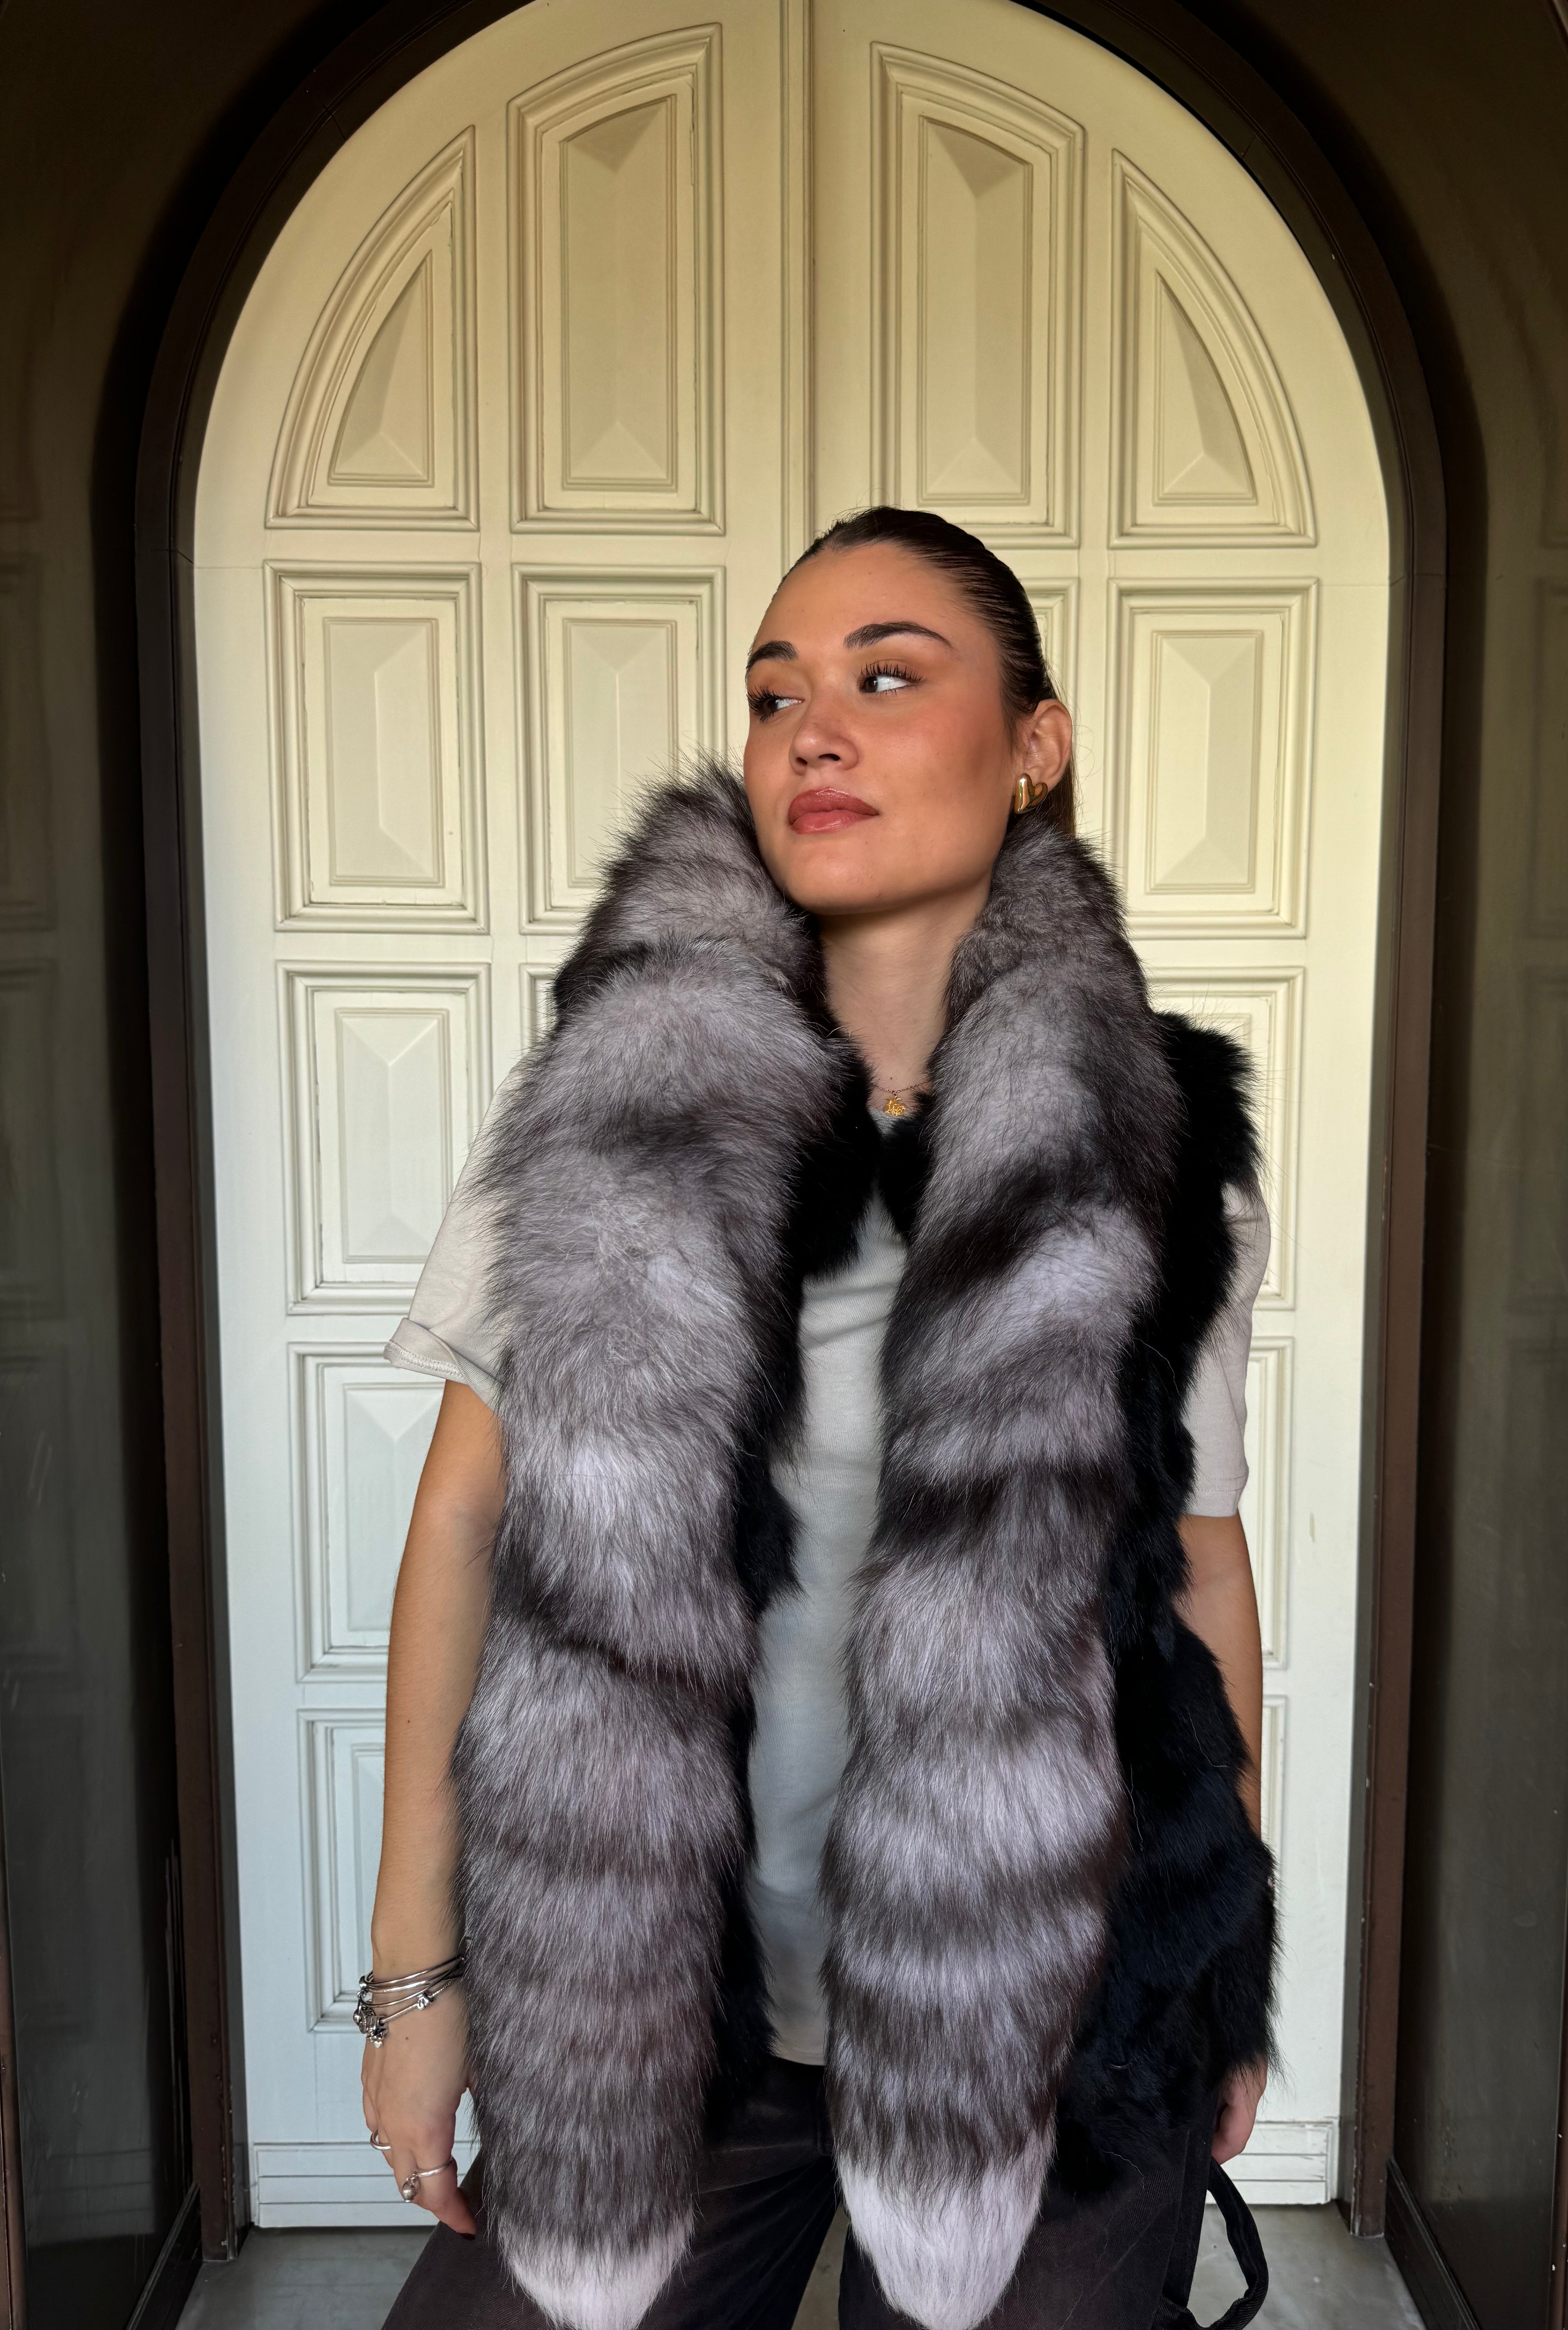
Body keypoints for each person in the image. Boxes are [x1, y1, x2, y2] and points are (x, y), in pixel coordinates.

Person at [367, 507, 1275, 2330]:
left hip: (1054, 2012)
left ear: (1034, 745)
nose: (814, 732)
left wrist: (1218, 1967)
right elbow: (464, 1519)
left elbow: (1200, 1567)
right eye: (776, 693)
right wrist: (418, 1980)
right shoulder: (610, 1112)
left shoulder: (1154, 1152)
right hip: (666, 2009)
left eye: (887, 678)